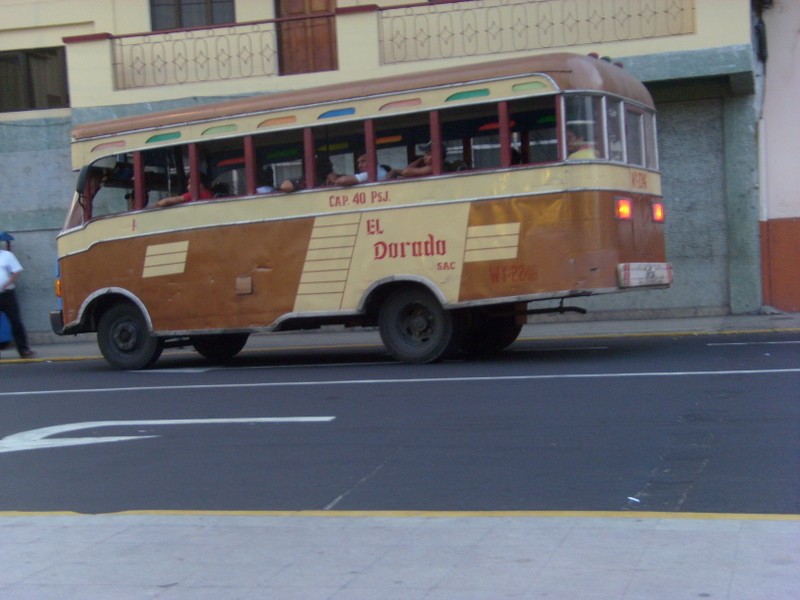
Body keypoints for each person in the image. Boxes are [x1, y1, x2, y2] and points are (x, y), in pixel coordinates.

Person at [0, 244, 35, 358]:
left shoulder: (7, 255)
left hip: (7, 294)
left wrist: (8, 282)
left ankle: (23, 348)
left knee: (15, 321)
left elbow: (16, 271)